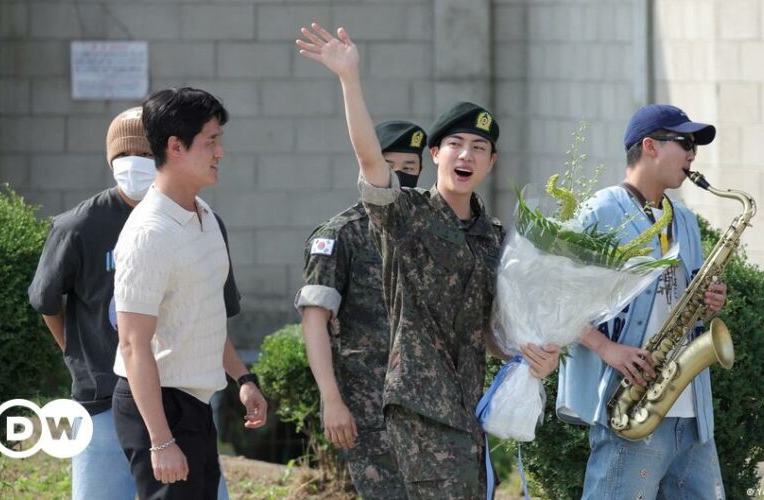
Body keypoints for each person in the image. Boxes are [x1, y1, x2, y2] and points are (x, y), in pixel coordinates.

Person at [296, 23, 560, 498]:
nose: (467, 155)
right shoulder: (406, 215)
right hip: (413, 412)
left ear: (490, 164)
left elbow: (490, 332)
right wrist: (349, 79)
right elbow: (371, 165)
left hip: (467, 413)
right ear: (435, 154)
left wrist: (529, 356)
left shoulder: (493, 237)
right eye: (456, 144)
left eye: (480, 148)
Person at [556, 104, 729, 500]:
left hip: (693, 416)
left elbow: (681, 302)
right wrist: (606, 347)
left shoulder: (683, 218)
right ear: (650, 146)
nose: (692, 155)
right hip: (631, 407)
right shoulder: (599, 211)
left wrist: (710, 301)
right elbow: (554, 295)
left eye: (694, 147)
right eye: (685, 143)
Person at [110, 87, 267, 500]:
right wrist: (160, 441)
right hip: (158, 406)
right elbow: (131, 344)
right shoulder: (148, 232)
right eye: (211, 141)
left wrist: (243, 378)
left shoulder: (206, 216)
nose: (221, 153)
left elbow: (202, 315)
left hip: (195, 404)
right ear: (175, 147)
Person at [28, 107, 156, 500]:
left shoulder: (190, 220)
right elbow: (47, 300)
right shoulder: (78, 225)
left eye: (148, 155)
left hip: (175, 395)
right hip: (100, 397)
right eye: (124, 156)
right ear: (110, 160)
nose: (135, 164)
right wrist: (76, 352)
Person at [295, 120, 426, 499]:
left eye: (410, 167)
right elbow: (314, 320)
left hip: (427, 405)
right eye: (389, 164)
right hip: (369, 407)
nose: (400, 174)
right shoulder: (340, 234)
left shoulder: (428, 230)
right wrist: (332, 401)